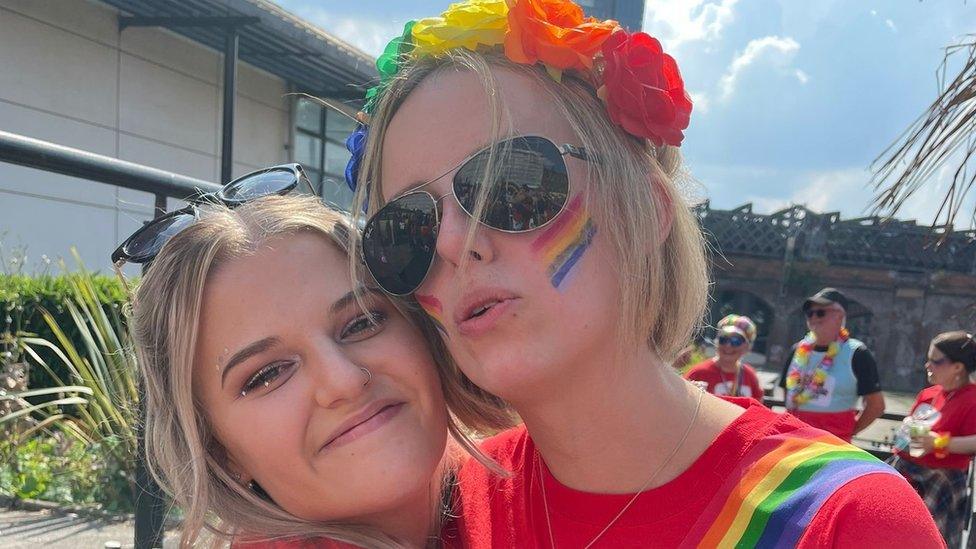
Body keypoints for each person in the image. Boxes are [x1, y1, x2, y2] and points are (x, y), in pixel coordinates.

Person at [348, 0, 942, 545]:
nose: (453, 241)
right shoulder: (439, 513)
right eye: (407, 231)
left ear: (647, 211)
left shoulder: (836, 521)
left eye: (513, 184)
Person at [124, 191, 511, 547]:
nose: (344, 381)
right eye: (267, 375)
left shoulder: (534, 472)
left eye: (361, 322)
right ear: (219, 452)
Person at [893, 331, 976, 547]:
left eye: (935, 361)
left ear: (958, 367)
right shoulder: (928, 394)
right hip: (905, 473)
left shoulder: (972, 398)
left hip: (940, 482)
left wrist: (938, 442)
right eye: (928, 358)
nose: (927, 365)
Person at [779, 287, 886, 442]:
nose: (814, 318)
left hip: (832, 447)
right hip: (795, 442)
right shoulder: (797, 350)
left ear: (839, 316)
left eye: (821, 313)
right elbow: (787, 393)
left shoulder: (857, 353)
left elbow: (876, 406)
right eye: (810, 313)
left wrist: (849, 432)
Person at [685, 314, 765, 400]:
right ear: (716, 342)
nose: (728, 345)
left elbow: (758, 406)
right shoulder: (698, 373)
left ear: (747, 347)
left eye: (736, 341)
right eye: (723, 339)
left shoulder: (750, 375)